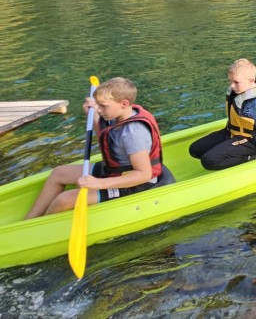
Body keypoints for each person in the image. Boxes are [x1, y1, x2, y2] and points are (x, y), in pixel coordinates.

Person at [25, 77, 173, 219]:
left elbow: (143, 174)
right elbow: (107, 139)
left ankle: (39, 232)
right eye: (98, 104)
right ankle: (28, 223)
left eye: (103, 106)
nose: (100, 109)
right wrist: (95, 117)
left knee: (65, 200)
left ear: (124, 103)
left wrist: (100, 183)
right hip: (116, 171)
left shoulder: (133, 133)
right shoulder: (119, 114)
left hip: (139, 183)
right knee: (58, 173)